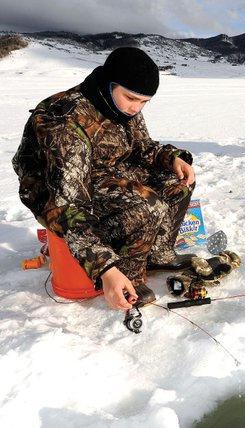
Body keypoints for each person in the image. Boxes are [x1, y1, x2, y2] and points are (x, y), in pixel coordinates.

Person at [13, 47, 196, 311]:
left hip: (101, 172)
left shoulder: (119, 104)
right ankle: (128, 278)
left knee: (176, 182)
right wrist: (105, 270)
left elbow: (141, 147)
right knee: (146, 205)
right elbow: (67, 207)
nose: (136, 108)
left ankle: (157, 253)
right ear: (109, 83)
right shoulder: (65, 122)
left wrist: (172, 158)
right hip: (53, 193)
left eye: (144, 102)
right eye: (132, 98)